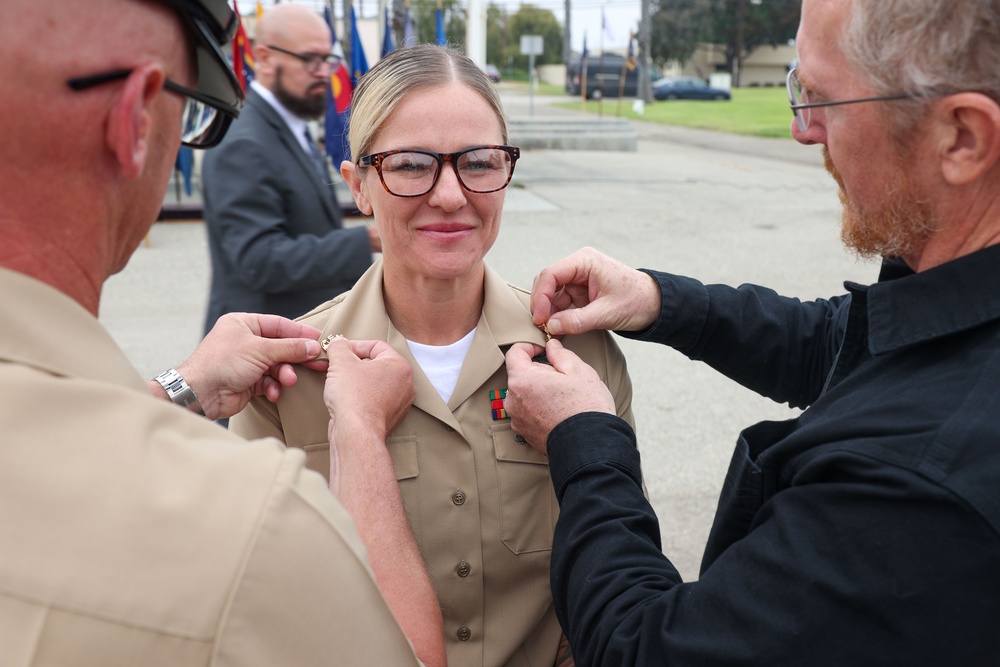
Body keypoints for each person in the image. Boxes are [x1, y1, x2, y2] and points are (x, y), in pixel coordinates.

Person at [502, 0, 1000, 664]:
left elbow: (643, 649)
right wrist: (658, 300)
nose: (803, 129)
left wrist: (584, 436)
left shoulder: (915, 488)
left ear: (962, 137)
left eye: (822, 98)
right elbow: (852, 343)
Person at [0, 0, 445, 664]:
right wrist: (356, 423)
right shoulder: (252, 524)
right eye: (192, 111)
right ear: (136, 120)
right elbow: (408, 652)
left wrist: (180, 388)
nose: (326, 70)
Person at [232, 44, 635, 667]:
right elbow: (261, 602)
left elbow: (613, 572)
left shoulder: (576, 354)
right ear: (359, 186)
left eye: (478, 162)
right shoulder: (290, 372)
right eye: (413, 165)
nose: (450, 196)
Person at [201, 3, 377, 333]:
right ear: (265, 58)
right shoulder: (244, 143)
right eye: (310, 59)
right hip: (256, 352)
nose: (324, 71)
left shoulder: (288, 127)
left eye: (328, 59)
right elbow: (259, 261)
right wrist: (366, 239)